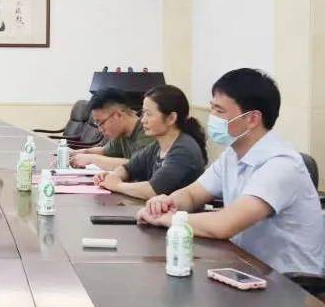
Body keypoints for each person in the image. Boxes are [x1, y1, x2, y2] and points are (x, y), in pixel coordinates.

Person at [137, 69, 325, 275]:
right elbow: (192, 194)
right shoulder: (232, 155)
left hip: (288, 281)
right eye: (212, 108)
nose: (212, 117)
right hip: (245, 266)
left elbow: (225, 225)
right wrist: (166, 203)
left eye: (219, 111)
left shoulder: (281, 165)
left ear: (252, 118)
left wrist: (167, 219)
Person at [93, 85, 207, 200]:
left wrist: (117, 185)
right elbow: (128, 168)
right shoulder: (157, 146)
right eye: (143, 113)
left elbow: (153, 190)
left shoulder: (183, 149)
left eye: (148, 114)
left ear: (171, 118)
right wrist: (112, 176)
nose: (143, 120)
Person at [70, 88, 155, 170]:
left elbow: (138, 166)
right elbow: (104, 151)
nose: (100, 130)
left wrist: (92, 159)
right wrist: (71, 153)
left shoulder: (147, 131)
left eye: (101, 123)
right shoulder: (121, 133)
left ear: (119, 115)